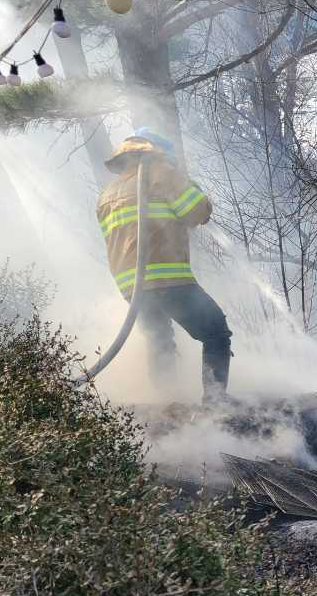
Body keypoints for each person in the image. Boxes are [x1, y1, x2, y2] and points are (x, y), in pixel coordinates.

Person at [96, 128, 232, 402]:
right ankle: (215, 403)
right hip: (167, 278)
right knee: (215, 331)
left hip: (131, 287)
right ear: (157, 152)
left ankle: (167, 404)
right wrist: (191, 186)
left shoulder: (107, 193)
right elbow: (197, 212)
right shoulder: (162, 173)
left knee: (159, 339)